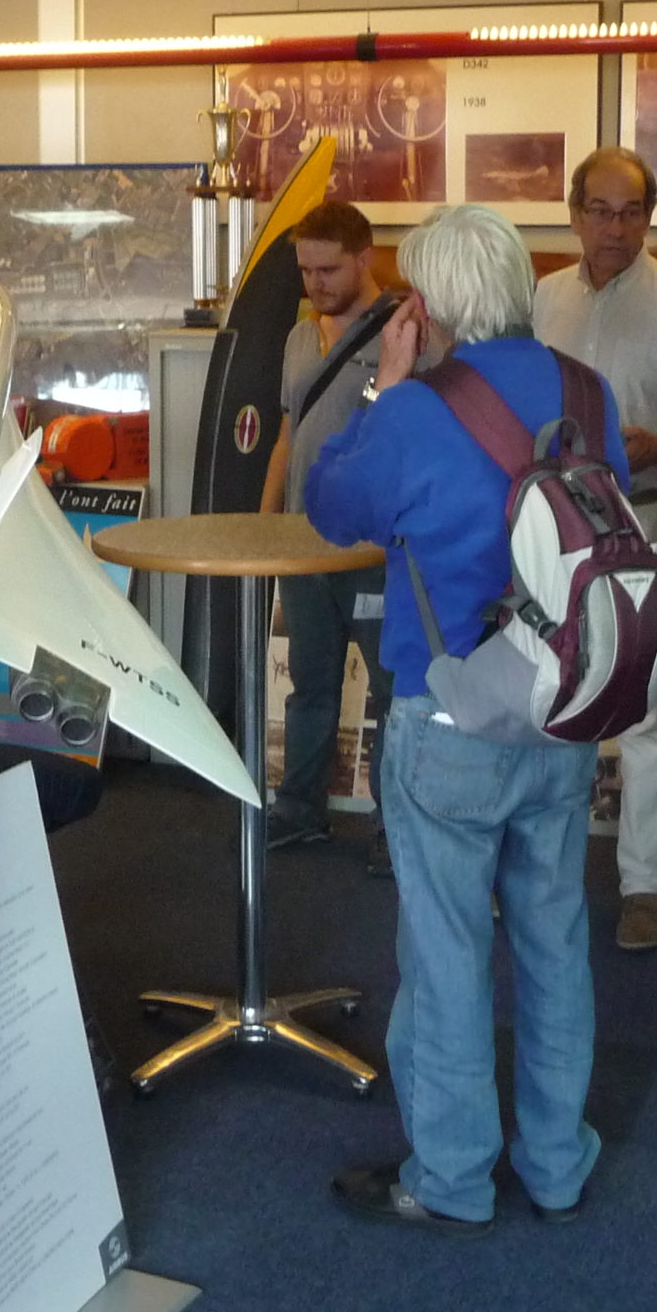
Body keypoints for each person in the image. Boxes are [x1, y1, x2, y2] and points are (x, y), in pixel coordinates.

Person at [306, 203, 621, 1235]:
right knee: (553, 938)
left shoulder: (415, 411)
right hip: (565, 703)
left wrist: (384, 388)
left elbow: (331, 507)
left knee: (445, 955)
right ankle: (556, 1163)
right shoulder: (589, 392)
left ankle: (450, 1178)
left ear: (426, 304)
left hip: (448, 713)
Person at [532, 145, 657, 953]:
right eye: (600, 212)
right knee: (549, 698)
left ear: (651, 218)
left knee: (644, 712)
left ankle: (645, 886)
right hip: (548, 530)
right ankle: (541, 877)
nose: (615, 229)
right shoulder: (542, 298)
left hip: (645, 525)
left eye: (632, 213)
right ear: (575, 215)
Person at [260, 200, 398, 868]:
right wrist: (264, 525)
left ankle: (396, 827)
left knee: (394, 691)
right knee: (310, 684)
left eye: (329, 269)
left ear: (364, 258)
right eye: (306, 270)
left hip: (374, 549)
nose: (315, 283)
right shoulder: (297, 338)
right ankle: (299, 809)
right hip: (302, 546)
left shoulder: (405, 334)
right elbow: (288, 435)